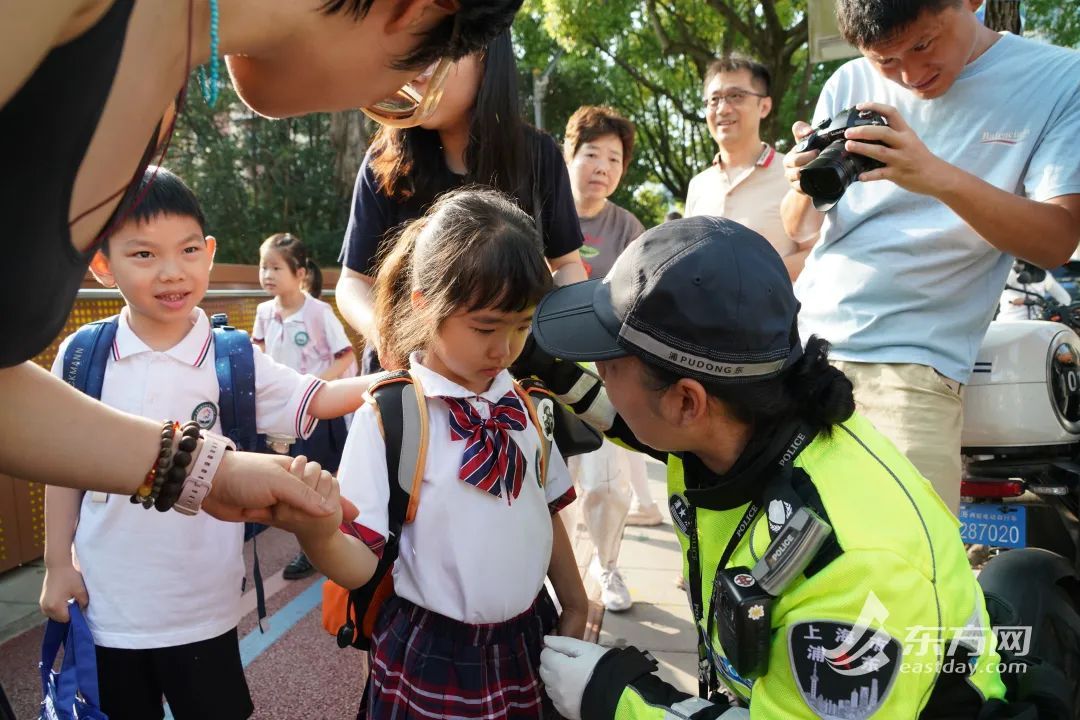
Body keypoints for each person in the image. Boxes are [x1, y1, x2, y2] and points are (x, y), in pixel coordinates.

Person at [0, 0, 523, 517]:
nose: (386, 102)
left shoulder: (154, 86)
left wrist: (210, 471)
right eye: (409, 85)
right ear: (414, 9)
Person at [516, 217, 1008, 719]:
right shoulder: (750, 418)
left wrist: (615, 696)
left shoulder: (851, 567)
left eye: (609, 361)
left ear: (688, 402)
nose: (598, 370)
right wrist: (542, 362)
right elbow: (632, 417)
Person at [38, 167, 376, 720]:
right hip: (107, 603)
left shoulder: (229, 356)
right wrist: (57, 562)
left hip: (204, 605)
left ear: (209, 251)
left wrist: (399, 379)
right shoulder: (83, 355)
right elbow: (63, 463)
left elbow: (317, 396)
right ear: (102, 264)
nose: (173, 272)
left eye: (188, 249)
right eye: (143, 255)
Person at [278, 188, 587, 720]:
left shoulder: (526, 403)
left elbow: (545, 508)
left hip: (529, 639)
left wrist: (575, 601)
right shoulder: (394, 414)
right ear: (424, 301)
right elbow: (360, 564)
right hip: (434, 654)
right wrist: (318, 531)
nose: (505, 349)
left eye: (521, 326)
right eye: (486, 327)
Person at [781, 0, 1080, 513]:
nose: (910, 74)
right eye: (886, 61)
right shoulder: (850, 81)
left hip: (912, 367)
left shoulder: (1056, 78)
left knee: (904, 576)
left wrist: (933, 174)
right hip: (795, 347)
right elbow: (800, 227)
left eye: (923, 44)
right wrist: (800, 180)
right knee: (776, 561)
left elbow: (1056, 240)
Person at [336, 28, 587, 375]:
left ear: (486, 58)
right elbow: (352, 283)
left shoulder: (537, 155)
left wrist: (528, 336)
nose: (417, 73)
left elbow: (567, 265)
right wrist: (387, 335)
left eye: (435, 53)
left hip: (504, 381)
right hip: (407, 381)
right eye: (411, 52)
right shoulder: (385, 160)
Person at [562, 105, 660, 613]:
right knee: (548, 480)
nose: (602, 167)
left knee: (605, 483)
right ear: (569, 155)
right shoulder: (545, 211)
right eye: (592, 154)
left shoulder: (628, 225)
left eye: (614, 158)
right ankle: (548, 572)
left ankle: (607, 564)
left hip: (603, 370)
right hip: (543, 366)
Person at [254, 232, 358, 580]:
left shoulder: (318, 312)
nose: (267, 274)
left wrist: (320, 390)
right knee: (293, 476)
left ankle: (328, 544)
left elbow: (346, 356)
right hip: (284, 413)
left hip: (317, 411)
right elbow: (259, 355)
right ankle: (313, 547)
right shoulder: (264, 312)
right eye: (263, 266)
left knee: (320, 477)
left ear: (300, 274)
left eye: (275, 267)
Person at [685, 55, 804, 280]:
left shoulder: (794, 173)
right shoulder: (698, 185)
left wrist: (750, 277)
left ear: (764, 106)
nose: (723, 109)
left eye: (736, 96)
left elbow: (814, 252)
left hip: (775, 314)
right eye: (714, 99)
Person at [998, 261, 1073, 321]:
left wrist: (1057, 308)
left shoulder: (1043, 275)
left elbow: (1065, 298)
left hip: (1035, 324)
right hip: (1010, 322)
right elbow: (999, 287)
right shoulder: (1011, 271)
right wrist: (1014, 270)